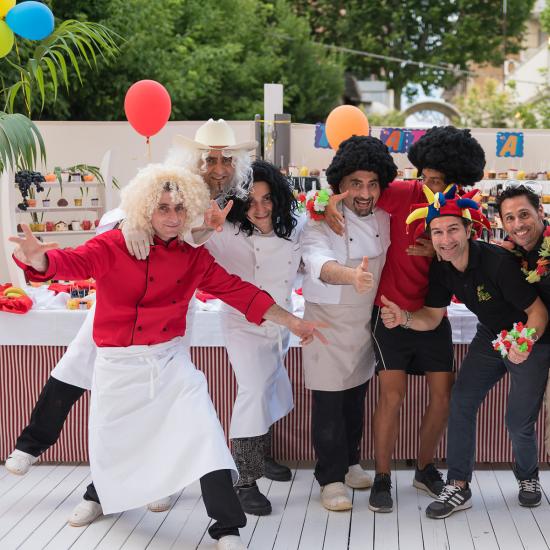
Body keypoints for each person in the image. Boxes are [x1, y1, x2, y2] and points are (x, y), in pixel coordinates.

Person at [9, 163, 325, 550]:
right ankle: (98, 496)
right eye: (163, 208)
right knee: (115, 444)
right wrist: (39, 261)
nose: (172, 218)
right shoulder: (114, 244)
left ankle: (227, 528)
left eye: (179, 208)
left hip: (170, 361)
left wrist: (292, 322)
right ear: (144, 209)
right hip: (118, 365)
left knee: (205, 436)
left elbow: (239, 291)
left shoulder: (193, 256)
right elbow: (71, 263)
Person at [4, 119, 283, 491]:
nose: (218, 169)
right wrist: (128, 226)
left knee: (163, 397)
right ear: (194, 159)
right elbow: (123, 215)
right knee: (77, 363)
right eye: (210, 160)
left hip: (176, 307)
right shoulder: (168, 182)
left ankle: (150, 486)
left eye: (226, 160)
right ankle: (32, 443)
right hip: (124, 300)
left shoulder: (240, 199)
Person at [324, 126, 486, 513]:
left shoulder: (462, 213)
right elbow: (352, 193)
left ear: (455, 181)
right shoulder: (400, 194)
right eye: (424, 175)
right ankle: (382, 476)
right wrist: (328, 201)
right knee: (392, 395)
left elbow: (471, 253)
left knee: (443, 397)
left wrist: (441, 247)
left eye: (438, 179)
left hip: (433, 314)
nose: (428, 184)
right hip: (390, 312)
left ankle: (425, 467)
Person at [380, 193, 550, 519]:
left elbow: (538, 312)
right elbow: (431, 317)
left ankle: (528, 477)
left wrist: (524, 342)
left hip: (530, 337)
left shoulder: (497, 263)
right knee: (460, 400)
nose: (446, 240)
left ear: (469, 230)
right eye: (438, 232)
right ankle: (458, 484)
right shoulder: (442, 269)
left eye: (453, 230)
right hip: (490, 336)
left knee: (517, 422)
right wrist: (404, 318)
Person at [203, 159, 306, 515]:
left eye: (267, 199)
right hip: (242, 324)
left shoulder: (296, 226)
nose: (259, 208)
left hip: (281, 324)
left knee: (272, 385)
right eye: (251, 201)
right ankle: (244, 480)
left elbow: (311, 259)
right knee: (254, 390)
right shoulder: (224, 231)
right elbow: (192, 245)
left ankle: (261, 456)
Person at [300, 136, 393, 511]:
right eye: (356, 183)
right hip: (326, 324)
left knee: (355, 400)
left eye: (372, 184)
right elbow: (318, 263)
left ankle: (352, 461)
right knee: (329, 404)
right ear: (339, 185)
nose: (365, 193)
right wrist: (351, 276)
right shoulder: (318, 221)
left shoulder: (385, 219)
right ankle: (330, 478)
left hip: (362, 325)